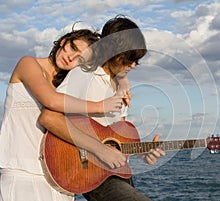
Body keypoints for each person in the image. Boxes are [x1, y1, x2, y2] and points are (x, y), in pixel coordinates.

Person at [0, 28, 130, 201]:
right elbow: (51, 100)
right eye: (72, 47)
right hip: (22, 174)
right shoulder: (28, 64)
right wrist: (99, 106)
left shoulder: (69, 85)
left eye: (80, 59)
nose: (70, 57)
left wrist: (121, 79)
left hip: (59, 180)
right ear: (63, 41)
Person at [38, 15, 165, 201]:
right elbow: (49, 117)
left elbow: (118, 139)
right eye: (128, 59)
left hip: (115, 173)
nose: (133, 65)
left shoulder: (120, 89)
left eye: (136, 60)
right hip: (87, 170)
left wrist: (144, 153)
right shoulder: (84, 75)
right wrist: (99, 148)